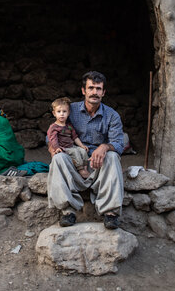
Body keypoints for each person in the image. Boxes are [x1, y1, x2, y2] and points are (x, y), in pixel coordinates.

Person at [47, 71, 124, 230]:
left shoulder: (112, 115)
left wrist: (104, 146)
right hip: (74, 163)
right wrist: (52, 148)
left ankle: (110, 213)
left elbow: (118, 144)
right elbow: (53, 132)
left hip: (98, 165)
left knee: (113, 156)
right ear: (83, 91)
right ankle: (68, 211)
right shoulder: (70, 110)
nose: (94, 92)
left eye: (98, 89)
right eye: (91, 88)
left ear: (103, 92)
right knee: (58, 159)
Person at [47, 97, 90, 179]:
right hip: (63, 148)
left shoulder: (69, 126)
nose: (62, 114)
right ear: (54, 113)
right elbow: (53, 139)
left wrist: (81, 146)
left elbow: (75, 137)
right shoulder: (54, 127)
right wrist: (57, 148)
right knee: (76, 153)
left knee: (82, 151)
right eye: (59, 112)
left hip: (71, 146)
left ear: (68, 113)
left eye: (64, 111)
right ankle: (80, 170)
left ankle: (85, 167)